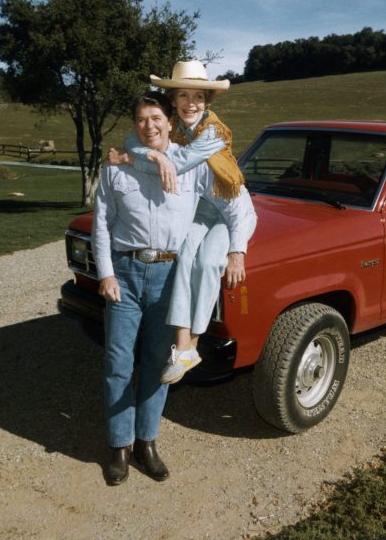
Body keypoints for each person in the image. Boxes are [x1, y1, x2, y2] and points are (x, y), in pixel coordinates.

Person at [93, 90, 254, 485]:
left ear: (170, 123)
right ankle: (119, 448)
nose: (149, 125)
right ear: (136, 126)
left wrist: (236, 251)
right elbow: (101, 222)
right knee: (117, 365)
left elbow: (236, 206)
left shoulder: (195, 166)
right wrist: (105, 273)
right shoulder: (116, 167)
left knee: (156, 366)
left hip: (168, 279)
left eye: (156, 118)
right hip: (126, 277)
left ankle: (146, 444)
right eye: (142, 120)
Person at [107, 60, 256, 385]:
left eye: (199, 97)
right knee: (183, 257)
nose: (192, 103)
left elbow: (179, 163)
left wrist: (237, 251)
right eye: (184, 96)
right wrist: (154, 155)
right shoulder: (173, 126)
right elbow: (131, 138)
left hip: (232, 209)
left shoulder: (213, 133)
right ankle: (183, 346)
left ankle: (196, 343)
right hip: (201, 209)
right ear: (172, 101)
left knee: (205, 262)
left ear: (207, 101)